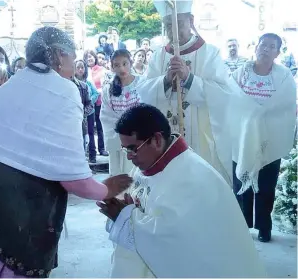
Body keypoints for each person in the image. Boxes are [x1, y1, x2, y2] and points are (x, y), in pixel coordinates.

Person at [0, 26, 132, 278]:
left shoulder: (16, 82)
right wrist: (106, 190)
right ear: (60, 56)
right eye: (72, 56)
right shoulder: (63, 89)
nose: (73, 63)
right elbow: (73, 177)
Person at [98, 104, 267, 278]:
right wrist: (121, 210)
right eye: (125, 149)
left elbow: (175, 243)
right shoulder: (148, 165)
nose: (128, 156)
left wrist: (125, 217)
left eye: (133, 149)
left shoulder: (193, 179)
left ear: (156, 140)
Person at [139, 0, 233, 184]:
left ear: (191, 20)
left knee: (199, 184)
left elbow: (224, 95)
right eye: (167, 25)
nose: (172, 31)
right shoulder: (159, 56)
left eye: (178, 23)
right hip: (165, 132)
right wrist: (165, 81)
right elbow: (143, 92)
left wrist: (189, 79)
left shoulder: (209, 53)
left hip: (200, 136)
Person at [229, 33, 297, 242]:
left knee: (267, 185)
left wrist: (259, 113)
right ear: (256, 47)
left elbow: (286, 102)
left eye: (271, 46)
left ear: (277, 53)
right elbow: (231, 98)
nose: (265, 49)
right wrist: (251, 113)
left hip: (270, 137)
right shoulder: (241, 73)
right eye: (263, 44)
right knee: (241, 181)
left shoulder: (284, 76)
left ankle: (264, 227)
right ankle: (242, 226)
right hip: (242, 137)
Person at [101, 49, 141, 176]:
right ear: (112, 67)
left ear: (131, 63)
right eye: (117, 65)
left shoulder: (141, 83)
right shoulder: (108, 89)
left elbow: (146, 109)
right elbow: (106, 115)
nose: (121, 68)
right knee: (118, 174)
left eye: (125, 63)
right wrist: (121, 129)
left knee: (136, 173)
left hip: (137, 135)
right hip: (117, 136)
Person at [84, 49, 109, 158]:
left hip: (99, 101)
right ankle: (90, 150)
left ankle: (102, 148)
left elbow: (105, 85)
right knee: (88, 129)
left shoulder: (102, 70)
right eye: (87, 57)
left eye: (91, 56)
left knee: (100, 126)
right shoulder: (82, 69)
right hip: (87, 105)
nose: (89, 58)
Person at [75, 59, 100, 162]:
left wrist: (90, 102)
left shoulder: (88, 83)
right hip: (77, 113)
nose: (80, 70)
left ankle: (92, 155)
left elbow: (96, 94)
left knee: (90, 133)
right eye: (78, 67)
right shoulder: (71, 82)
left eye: (82, 67)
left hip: (89, 112)